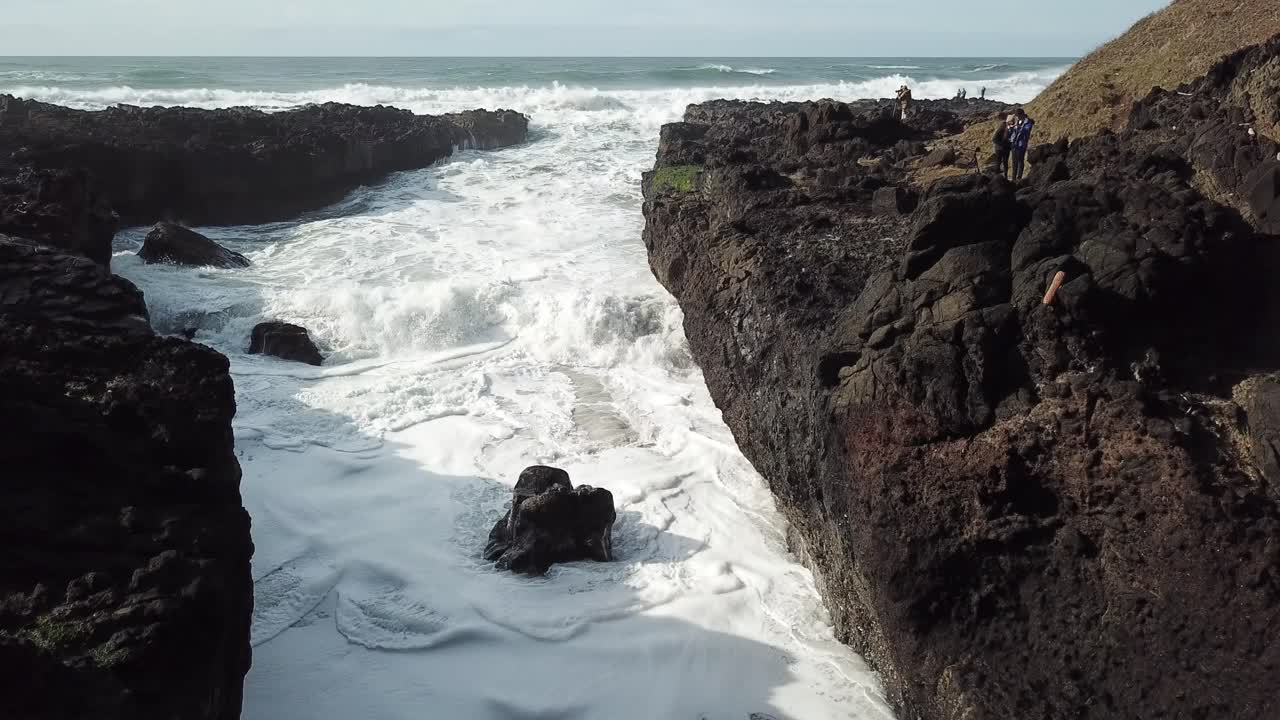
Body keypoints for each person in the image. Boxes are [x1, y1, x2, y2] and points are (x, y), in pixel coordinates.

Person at [1008, 107, 1035, 182]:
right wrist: (1011, 128)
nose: (1017, 117)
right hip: (1014, 144)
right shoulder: (1018, 121)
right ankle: (1013, 178)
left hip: (1021, 144)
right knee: (1014, 162)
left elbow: (1026, 131)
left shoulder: (1028, 122)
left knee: (1020, 161)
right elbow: (1014, 132)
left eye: (1018, 115)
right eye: (1017, 116)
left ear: (1022, 114)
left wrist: (1018, 127)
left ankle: (1019, 178)